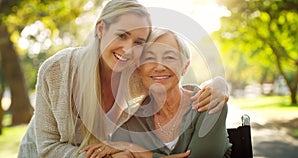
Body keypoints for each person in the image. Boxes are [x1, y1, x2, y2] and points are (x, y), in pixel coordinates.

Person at [18, 0, 229, 157]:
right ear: (101, 29)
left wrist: (218, 84)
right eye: (122, 35)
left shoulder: (136, 76)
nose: (128, 49)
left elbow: (169, 81)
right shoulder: (58, 69)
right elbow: (47, 148)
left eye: (138, 42)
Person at [83, 28, 231, 158]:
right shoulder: (129, 122)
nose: (159, 67)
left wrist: (138, 152)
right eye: (149, 58)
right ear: (139, 69)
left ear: (184, 67)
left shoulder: (210, 103)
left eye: (169, 57)